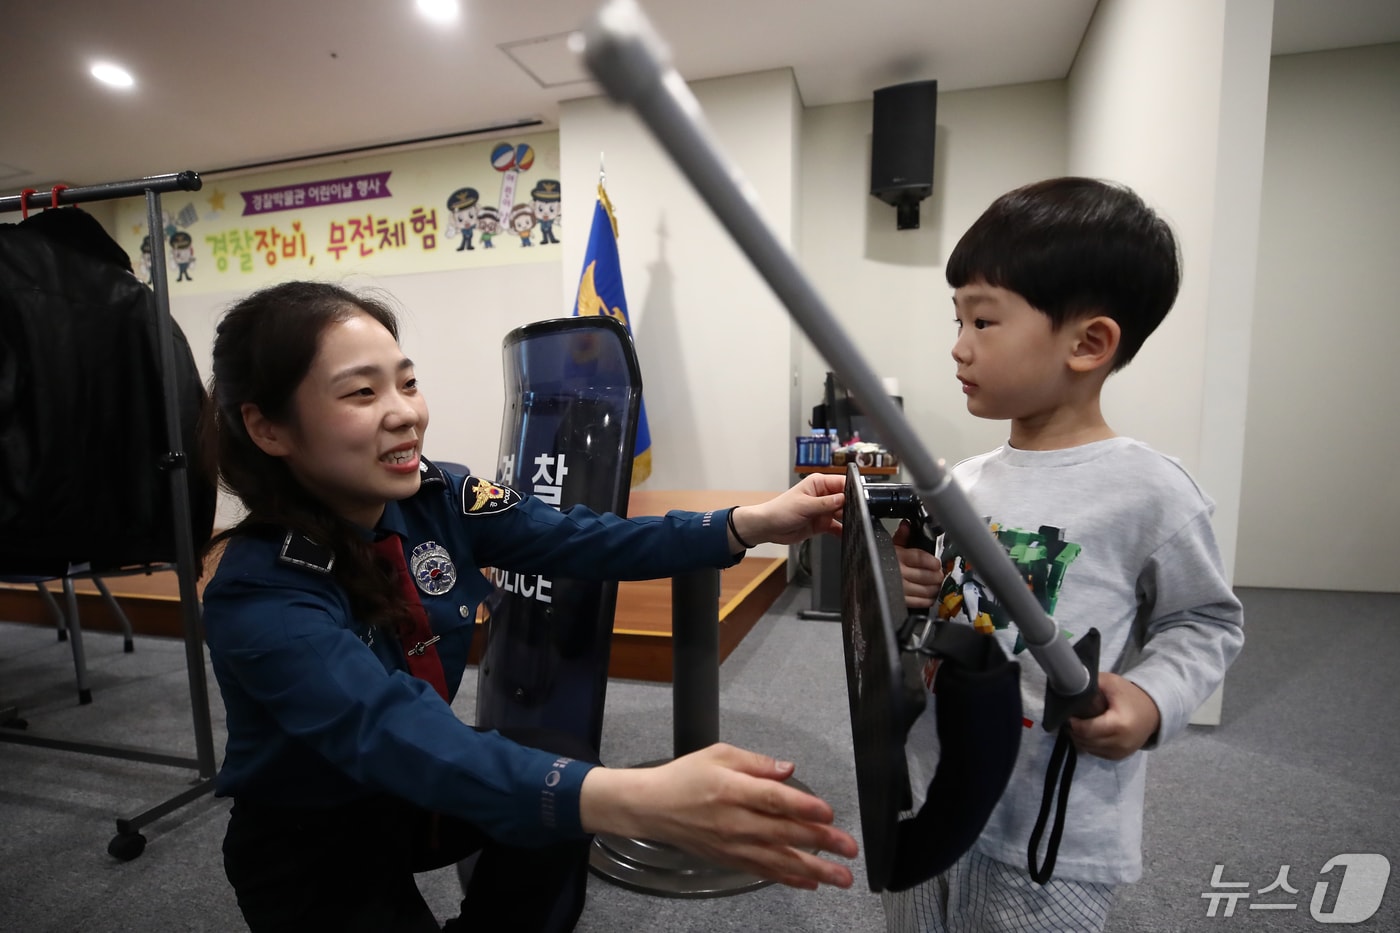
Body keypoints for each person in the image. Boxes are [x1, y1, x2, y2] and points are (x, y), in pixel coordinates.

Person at [197, 280, 858, 933]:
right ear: (268, 426)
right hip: (314, 841)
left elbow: (580, 537)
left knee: (560, 792)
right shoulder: (261, 591)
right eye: (362, 393)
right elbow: (390, 732)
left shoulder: (439, 495)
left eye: (406, 382)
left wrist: (748, 522)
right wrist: (635, 799)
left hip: (410, 796)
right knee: (574, 793)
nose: (404, 413)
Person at [888, 177, 1244, 932]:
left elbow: (1206, 623)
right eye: (957, 318)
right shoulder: (961, 482)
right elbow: (930, 608)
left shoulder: (1149, 491)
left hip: (1051, 827)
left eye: (984, 320)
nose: (958, 345)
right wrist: (911, 581)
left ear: (1088, 343)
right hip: (934, 780)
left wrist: (1151, 701)